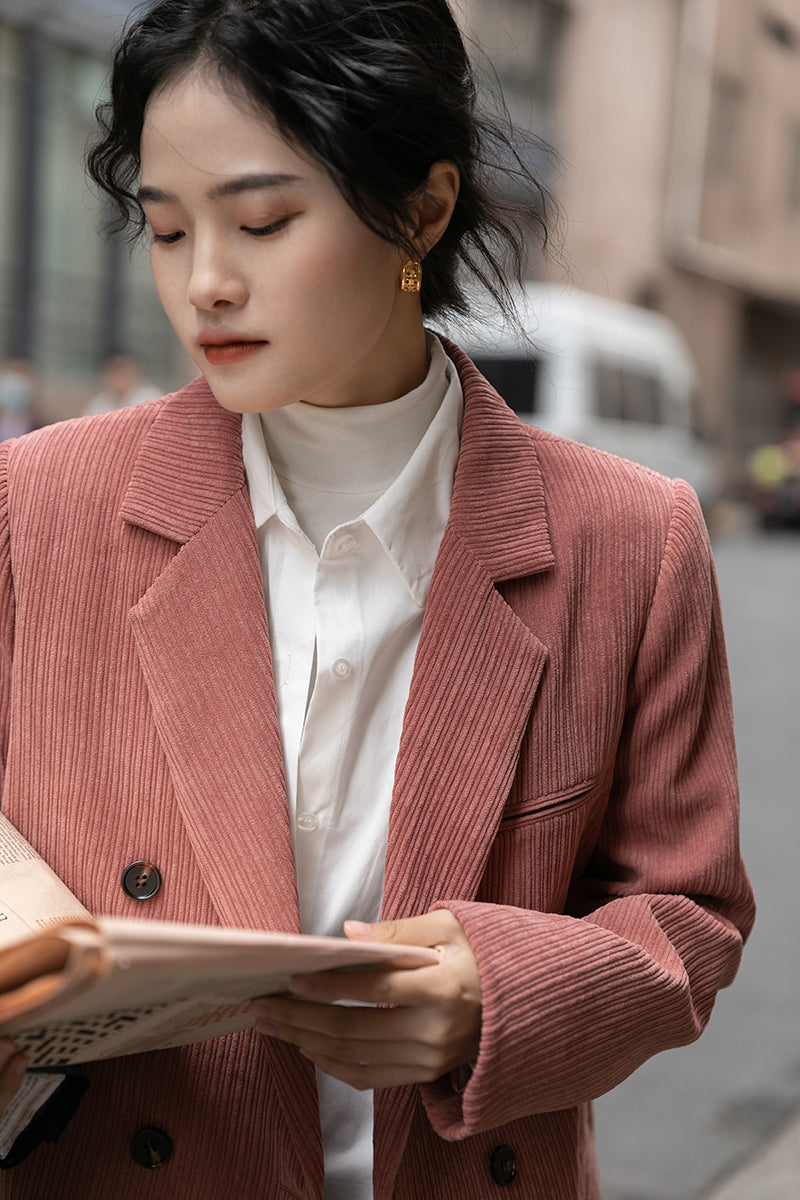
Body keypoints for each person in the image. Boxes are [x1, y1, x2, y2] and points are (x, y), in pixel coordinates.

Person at [0, 1, 754, 1197]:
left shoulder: (629, 537)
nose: (203, 283)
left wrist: (489, 997)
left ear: (423, 207)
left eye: (261, 220)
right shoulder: (33, 506)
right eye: (163, 230)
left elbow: (686, 918)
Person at [83, 353, 162, 416]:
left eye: (123, 374)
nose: (118, 379)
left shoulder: (150, 397)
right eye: (113, 374)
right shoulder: (100, 402)